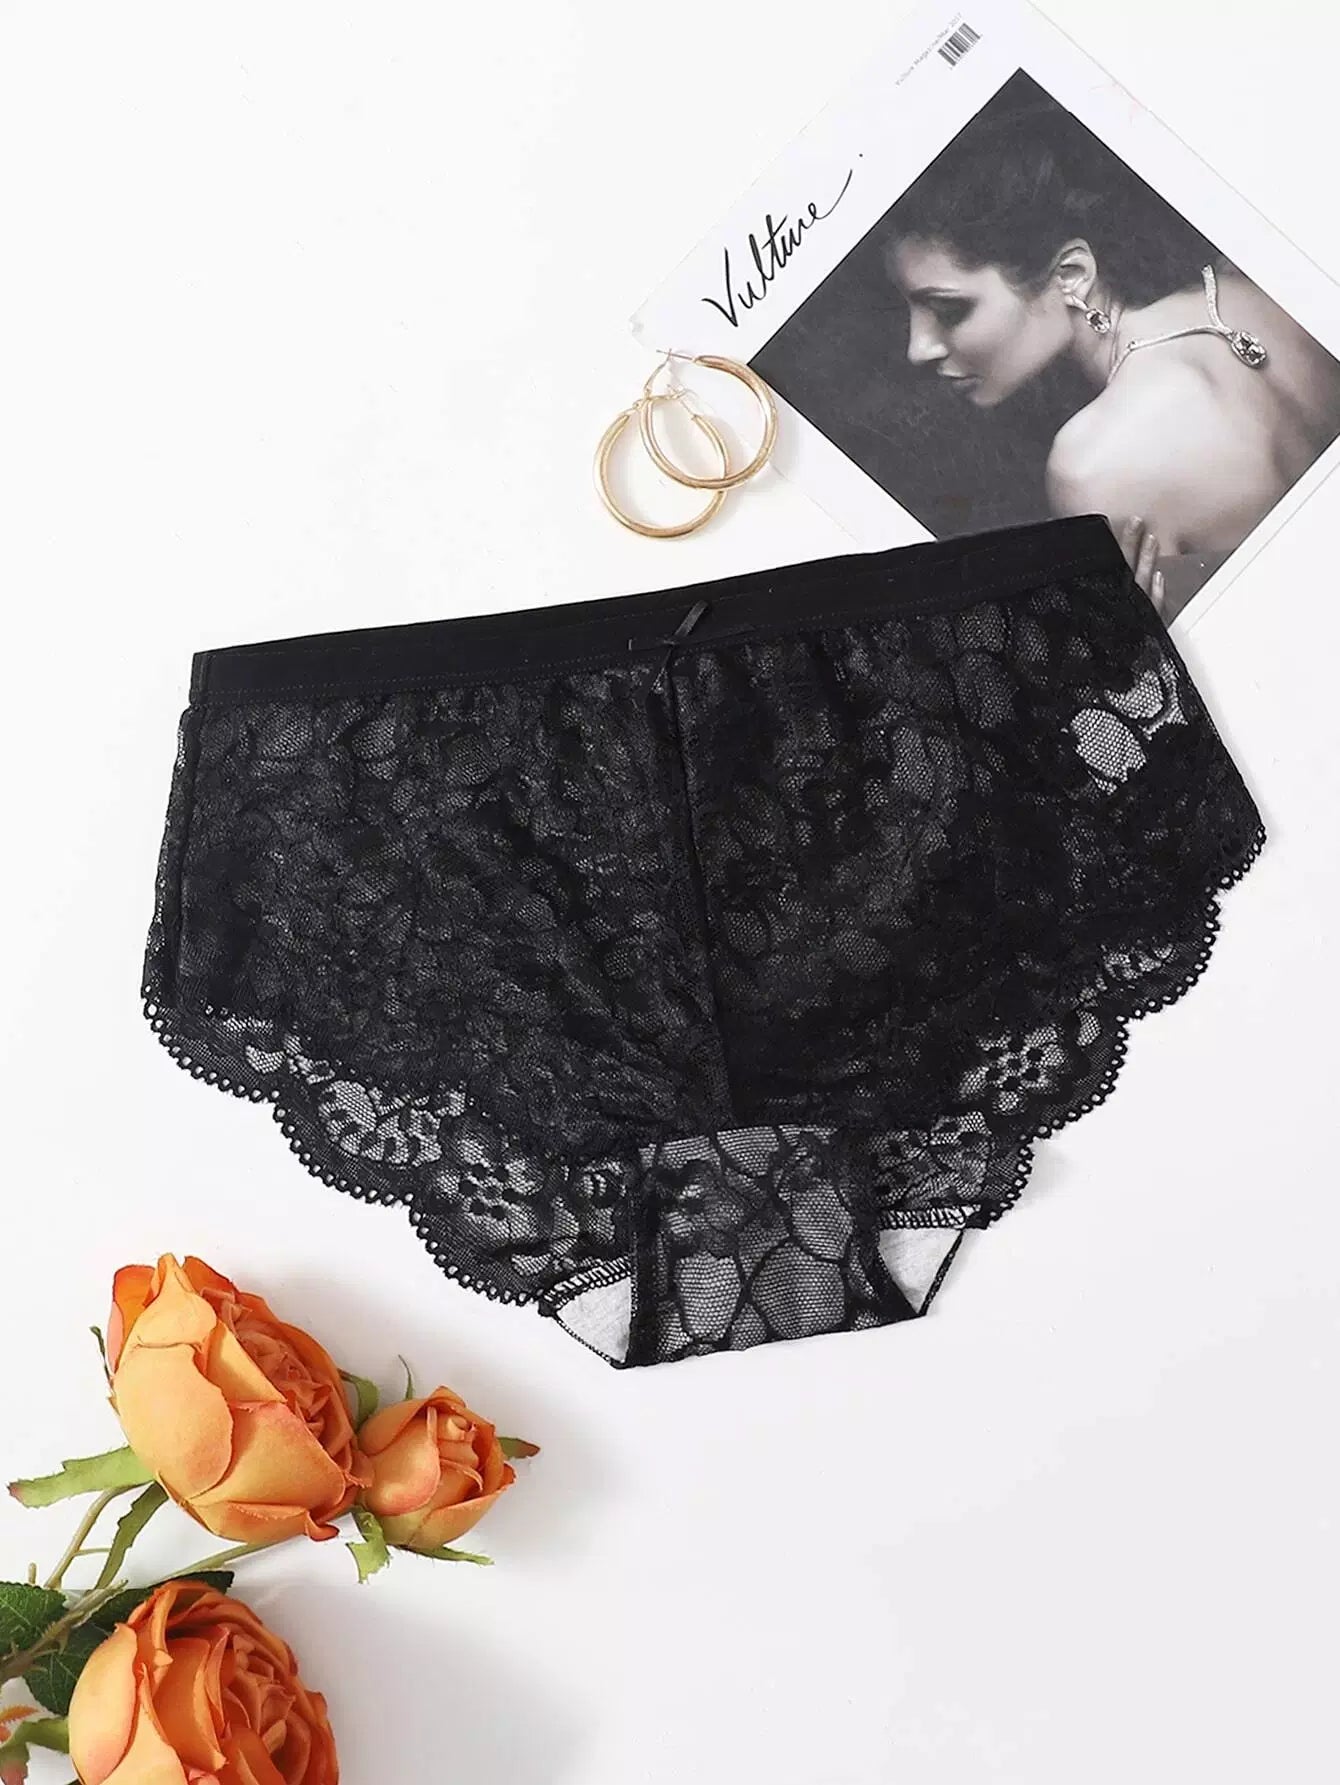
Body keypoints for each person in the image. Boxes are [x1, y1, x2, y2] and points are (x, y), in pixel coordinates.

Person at [882, 102, 1340, 623]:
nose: (918, 347)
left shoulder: (1090, 465)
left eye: (949, 310)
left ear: (1071, 275)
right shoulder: (1256, 284)